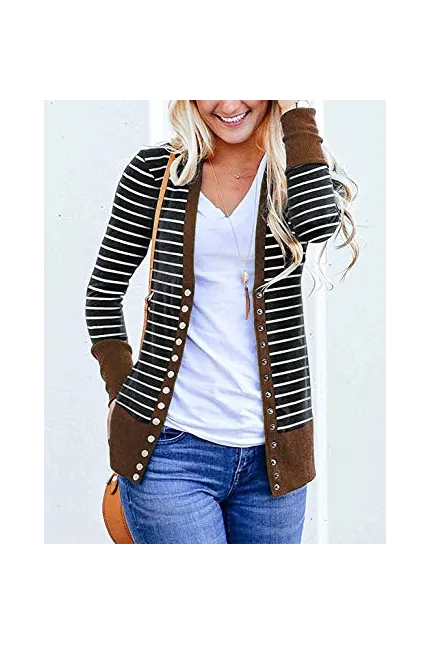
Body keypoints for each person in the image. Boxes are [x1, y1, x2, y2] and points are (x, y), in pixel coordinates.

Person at [85, 98, 358, 544]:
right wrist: (121, 392)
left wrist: (295, 111)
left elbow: (317, 225)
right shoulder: (156, 171)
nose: (229, 103)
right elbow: (103, 294)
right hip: (170, 453)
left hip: (275, 462)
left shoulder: (298, 166)